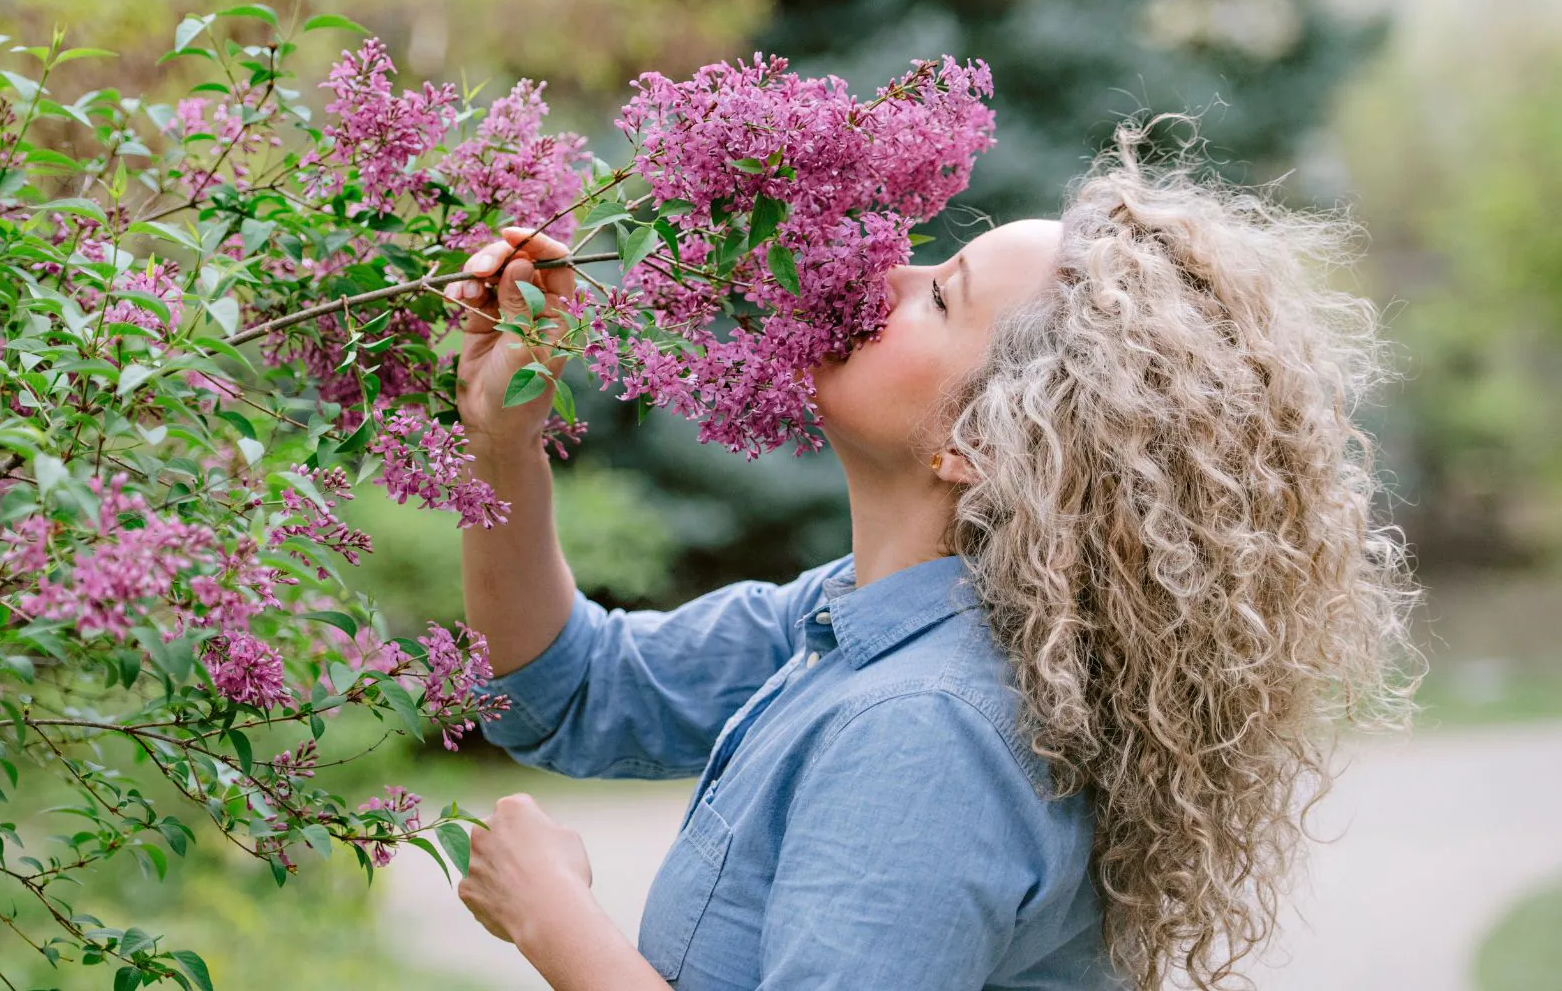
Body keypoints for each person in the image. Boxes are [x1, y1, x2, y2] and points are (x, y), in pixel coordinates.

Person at [441, 120, 1421, 991]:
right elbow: (562, 692)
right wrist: (502, 441)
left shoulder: (927, 729)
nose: (889, 272)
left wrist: (552, 919)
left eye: (939, 298)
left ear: (982, 444)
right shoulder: (856, 619)